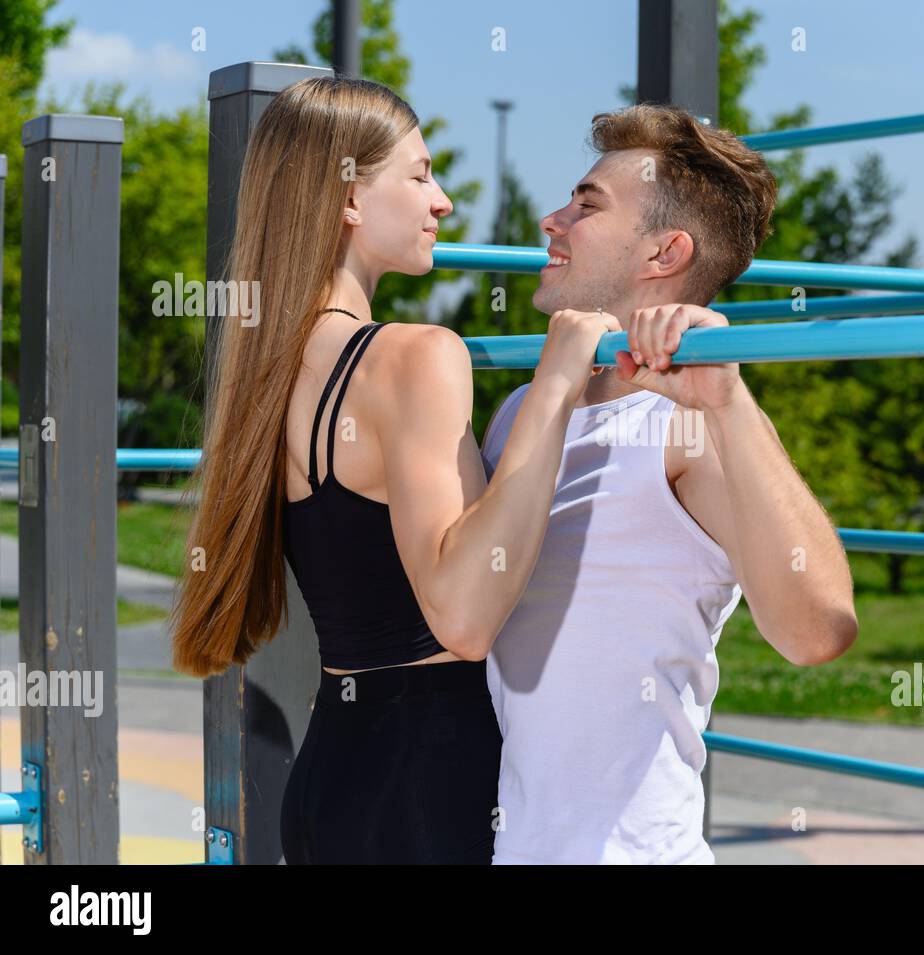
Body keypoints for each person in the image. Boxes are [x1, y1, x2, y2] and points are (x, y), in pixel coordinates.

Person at [167, 75, 618, 863]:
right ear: (348, 197)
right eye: (419, 175)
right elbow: (465, 617)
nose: (441, 202)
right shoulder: (415, 356)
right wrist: (555, 383)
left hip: (329, 774)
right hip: (431, 787)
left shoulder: (264, 373)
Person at [480, 104, 860, 864]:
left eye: (586, 206)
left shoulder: (695, 428)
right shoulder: (524, 409)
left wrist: (726, 402)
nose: (552, 221)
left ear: (664, 251)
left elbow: (819, 629)